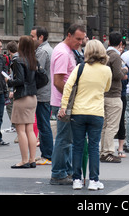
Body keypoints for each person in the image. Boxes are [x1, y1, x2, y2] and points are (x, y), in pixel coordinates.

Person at [58, 39, 112, 190]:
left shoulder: (80, 67)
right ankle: (94, 181)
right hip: (96, 113)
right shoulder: (106, 70)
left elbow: (68, 87)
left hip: (78, 112)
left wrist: (63, 106)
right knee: (94, 147)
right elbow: (106, 88)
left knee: (77, 146)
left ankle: (77, 179)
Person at [50, 23, 86, 185]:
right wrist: (70, 99)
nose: (80, 42)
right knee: (64, 139)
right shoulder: (63, 53)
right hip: (63, 103)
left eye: (82, 39)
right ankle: (58, 173)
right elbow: (58, 81)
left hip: (65, 102)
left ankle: (65, 171)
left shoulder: (68, 51)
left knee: (67, 139)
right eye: (77, 39)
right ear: (69, 35)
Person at [5, 36, 38, 168]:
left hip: (22, 97)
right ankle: (32, 159)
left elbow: (19, 81)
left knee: (21, 131)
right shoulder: (33, 60)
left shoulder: (18, 60)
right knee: (30, 129)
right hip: (32, 97)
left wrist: (8, 81)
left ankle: (24, 160)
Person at [100, 31, 127, 163]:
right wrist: (124, 72)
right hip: (114, 94)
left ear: (109, 41)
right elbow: (116, 74)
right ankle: (108, 152)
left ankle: (103, 150)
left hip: (104, 94)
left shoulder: (104, 54)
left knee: (105, 125)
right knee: (112, 126)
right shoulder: (115, 56)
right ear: (120, 43)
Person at [30, 26, 54, 165]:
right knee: (44, 123)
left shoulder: (43, 51)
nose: (31, 38)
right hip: (46, 92)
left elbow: (37, 71)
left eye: (33, 36)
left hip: (43, 93)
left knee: (43, 124)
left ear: (40, 37)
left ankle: (47, 155)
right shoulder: (47, 49)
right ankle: (47, 154)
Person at [4, 41, 18, 133]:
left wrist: (12, 89)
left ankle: (14, 125)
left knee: (10, 105)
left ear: (9, 51)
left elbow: (15, 76)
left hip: (15, 87)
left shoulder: (15, 59)